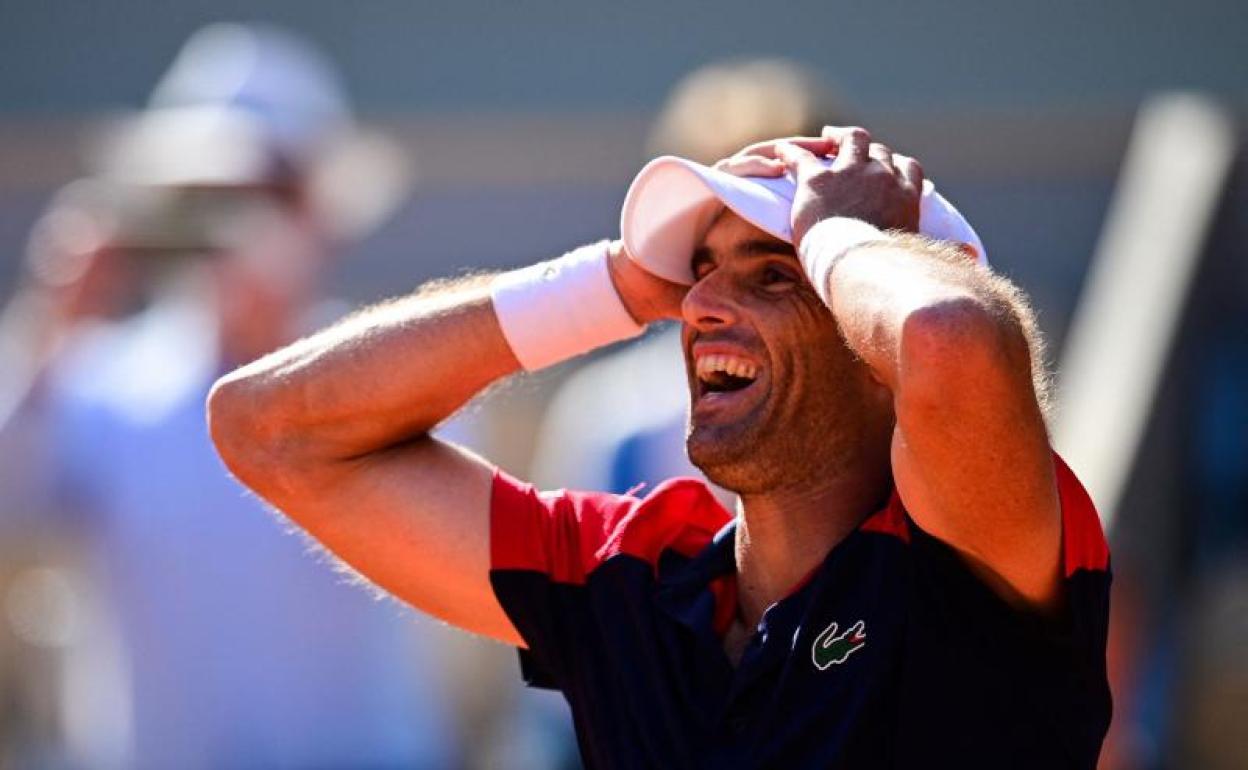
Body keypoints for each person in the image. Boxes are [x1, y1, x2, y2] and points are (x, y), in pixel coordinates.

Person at [208, 126, 1112, 767]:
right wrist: (616, 283)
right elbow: (270, 428)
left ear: (875, 345)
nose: (704, 305)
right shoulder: (631, 577)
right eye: (702, 272)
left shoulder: (966, 555)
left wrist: (841, 234)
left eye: (773, 276)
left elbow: (953, 338)